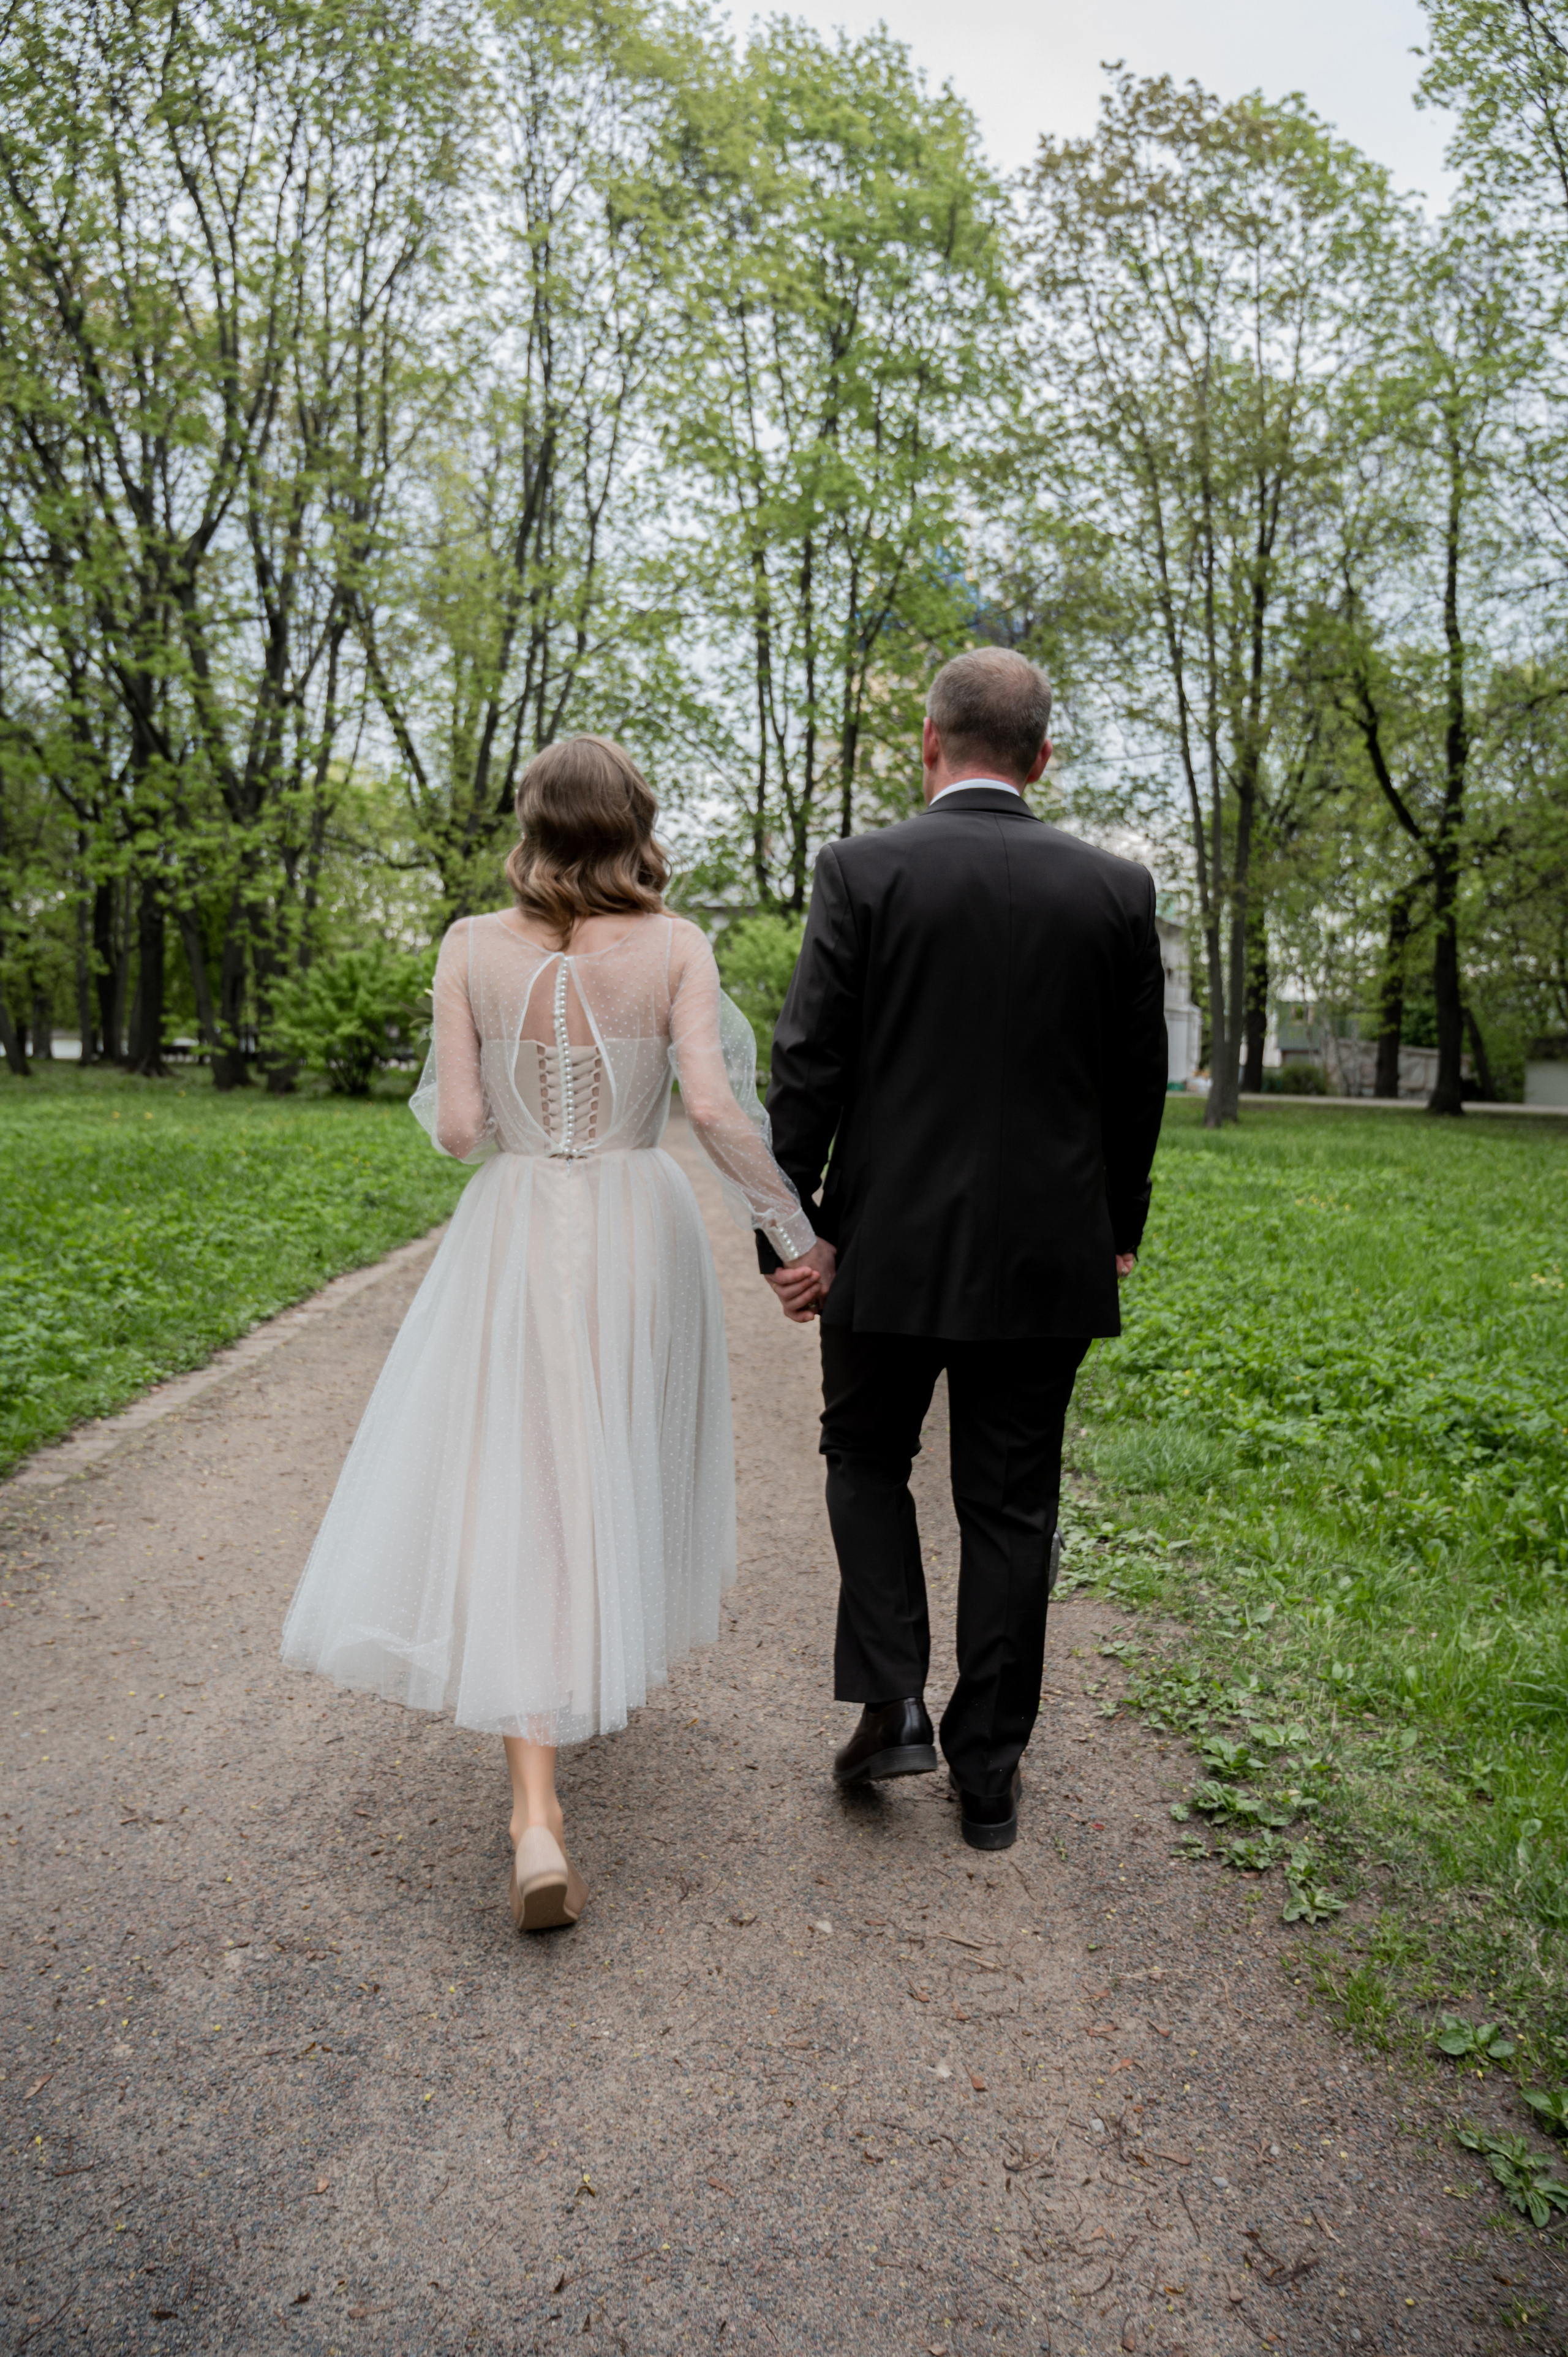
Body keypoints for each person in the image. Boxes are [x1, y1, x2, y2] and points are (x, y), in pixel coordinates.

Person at [281, 737, 821, 1931]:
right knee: (613, 1445)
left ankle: (536, 1815)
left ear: (530, 826)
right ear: (635, 825)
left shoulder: (467, 947)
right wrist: (793, 1233)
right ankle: (588, 1669)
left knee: (523, 1475)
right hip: (637, 1221)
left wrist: (510, 1092)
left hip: (519, 1223)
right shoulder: (677, 946)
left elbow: (459, 1131)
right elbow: (714, 1106)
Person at [759, 648, 1169, 1850]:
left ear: (929, 743)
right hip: (1049, 1255)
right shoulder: (1116, 891)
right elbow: (1136, 1086)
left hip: (880, 1244)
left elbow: (807, 1066)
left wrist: (791, 1232)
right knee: (1010, 1503)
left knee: (863, 1453)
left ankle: (892, 1699)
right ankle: (987, 1775)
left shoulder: (861, 871)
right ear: (1042, 758)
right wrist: (1119, 1229)